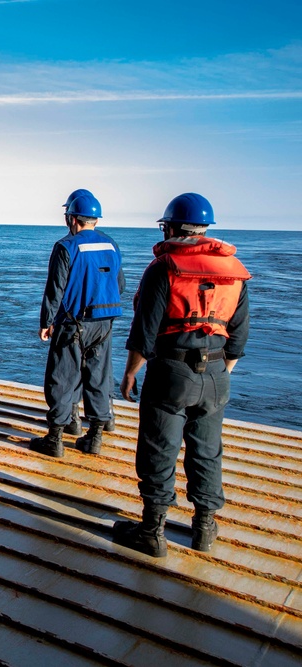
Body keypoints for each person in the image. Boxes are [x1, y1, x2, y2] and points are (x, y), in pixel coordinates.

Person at [113, 193, 250, 559]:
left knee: (159, 448)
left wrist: (129, 375)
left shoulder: (164, 268)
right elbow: (238, 335)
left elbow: (144, 331)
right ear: (205, 230)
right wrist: (218, 371)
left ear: (171, 228)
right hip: (218, 372)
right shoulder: (234, 272)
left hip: (171, 371)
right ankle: (204, 528)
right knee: (207, 451)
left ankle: (152, 532)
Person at [29, 192, 124, 458]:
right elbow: (120, 285)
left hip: (74, 323)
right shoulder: (111, 245)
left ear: (71, 218)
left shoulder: (66, 246)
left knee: (61, 376)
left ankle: (56, 437)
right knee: (99, 376)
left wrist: (47, 322)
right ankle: (94, 437)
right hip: (104, 323)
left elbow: (55, 289)